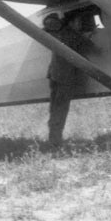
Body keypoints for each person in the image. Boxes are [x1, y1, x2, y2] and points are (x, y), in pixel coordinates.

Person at [44, 11, 96, 150]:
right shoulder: (73, 36)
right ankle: (55, 142)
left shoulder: (59, 32)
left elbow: (47, 22)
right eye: (78, 21)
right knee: (60, 109)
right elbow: (95, 50)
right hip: (64, 77)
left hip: (54, 75)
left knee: (55, 109)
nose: (80, 24)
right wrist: (90, 37)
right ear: (72, 22)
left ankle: (53, 139)